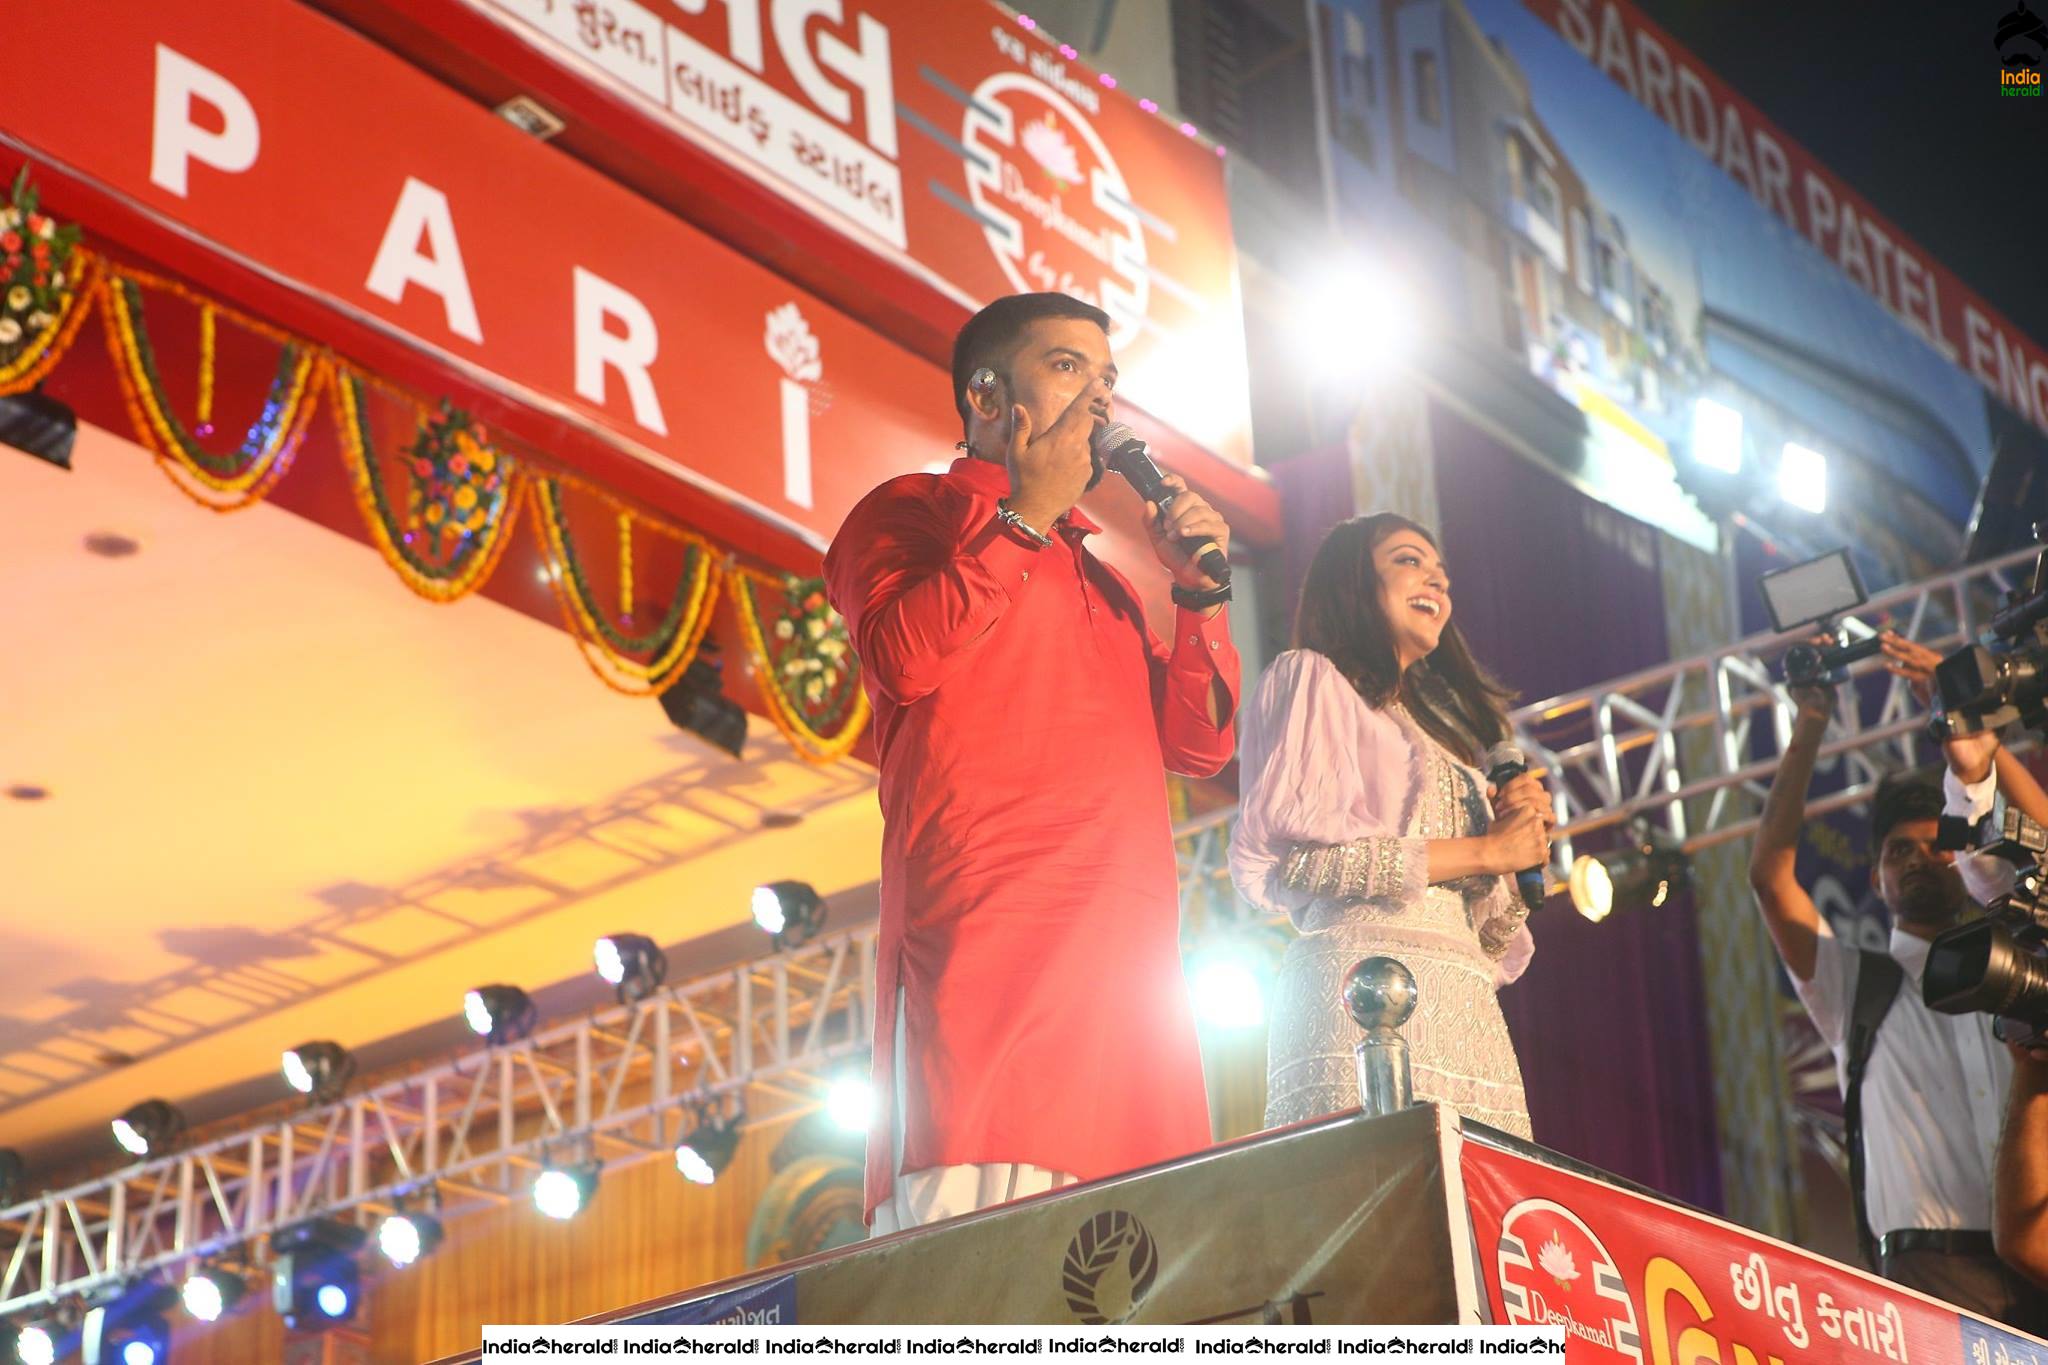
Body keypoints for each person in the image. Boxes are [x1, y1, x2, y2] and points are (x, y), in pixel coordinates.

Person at [823, 292, 1240, 1234]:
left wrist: (1201, 593)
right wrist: (1024, 517)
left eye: (1109, 380)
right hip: (988, 969)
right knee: (984, 1284)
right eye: (1066, 368)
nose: (1100, 399)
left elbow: (1203, 743)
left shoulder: (1107, 578)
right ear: (986, 396)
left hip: (1127, 991)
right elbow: (902, 656)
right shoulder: (907, 514)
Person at [1748, 632, 2048, 1328]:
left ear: (1966, 853)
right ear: (1875, 879)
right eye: (1897, 851)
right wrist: (1811, 719)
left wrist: (1973, 737)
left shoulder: (2018, 971)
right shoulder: (1855, 985)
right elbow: (1768, 876)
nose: (1920, 860)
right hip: (1928, 1280)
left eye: (1938, 845)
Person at [1230, 514, 1552, 1138]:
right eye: (1409, 560)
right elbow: (1306, 864)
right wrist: (1486, 851)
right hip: (1360, 986)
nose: (1435, 578)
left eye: (1442, 573)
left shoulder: (1451, 741)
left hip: (1465, 1005)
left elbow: (1487, 941)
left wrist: (1515, 855)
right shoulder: (1311, 678)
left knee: (1479, 1218)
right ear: (1355, 581)